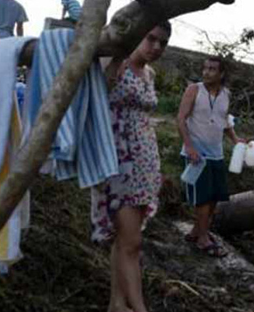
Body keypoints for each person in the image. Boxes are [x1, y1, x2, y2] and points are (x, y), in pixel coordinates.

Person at [91, 22, 171, 312]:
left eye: (162, 42)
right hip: (117, 163)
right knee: (132, 242)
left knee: (126, 240)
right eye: (151, 38)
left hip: (145, 162)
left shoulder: (148, 73)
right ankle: (139, 309)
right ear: (136, 36)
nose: (157, 47)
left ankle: (117, 304)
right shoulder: (114, 65)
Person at [177, 56, 245, 258]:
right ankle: (203, 238)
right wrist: (189, 147)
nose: (206, 72)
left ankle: (197, 231)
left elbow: (225, 120)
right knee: (203, 197)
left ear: (221, 73)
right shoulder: (194, 90)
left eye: (212, 69)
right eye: (205, 68)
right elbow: (180, 119)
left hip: (216, 154)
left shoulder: (226, 94)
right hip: (197, 154)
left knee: (215, 196)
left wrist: (235, 139)